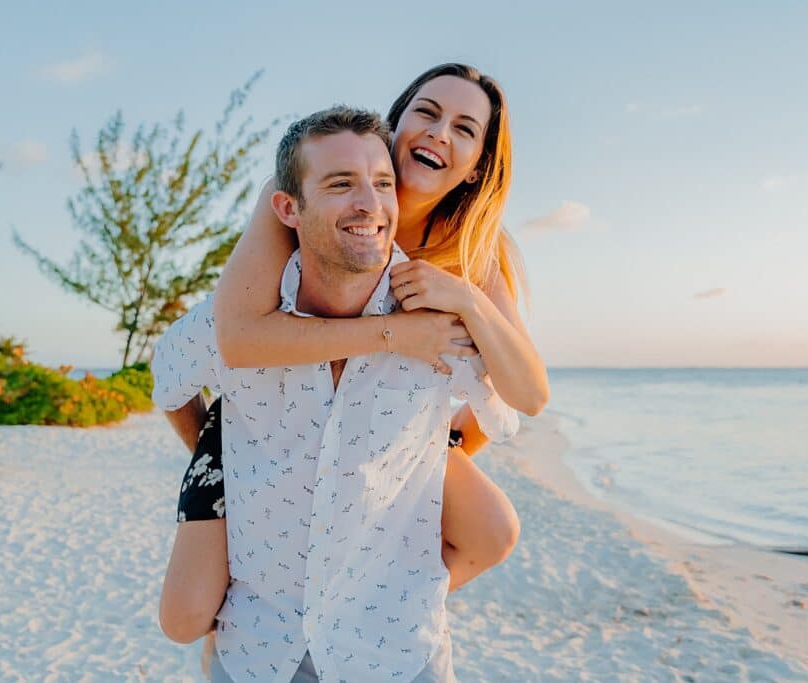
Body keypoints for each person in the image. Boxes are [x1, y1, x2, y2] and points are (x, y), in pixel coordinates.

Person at [159, 63, 550, 643]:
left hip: (384, 423)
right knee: (185, 619)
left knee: (493, 530)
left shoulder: (474, 248)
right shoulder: (310, 194)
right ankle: (261, 625)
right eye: (427, 111)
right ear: (396, 124)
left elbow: (527, 392)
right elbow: (237, 337)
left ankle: (354, 619)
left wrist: (463, 296)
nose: (440, 132)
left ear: (476, 167)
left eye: (465, 128)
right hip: (266, 411)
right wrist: (394, 333)